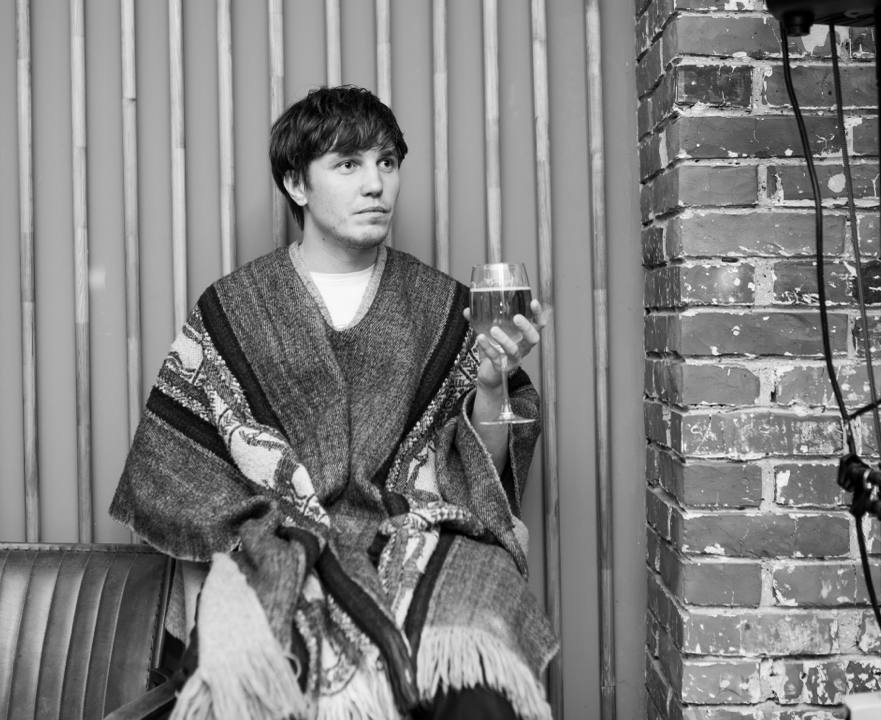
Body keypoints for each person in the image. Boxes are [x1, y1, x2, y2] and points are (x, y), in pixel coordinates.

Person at [110, 85, 556, 720]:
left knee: (474, 662)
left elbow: (481, 476)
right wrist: (251, 546)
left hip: (417, 539)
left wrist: (491, 385)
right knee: (250, 656)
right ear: (297, 184)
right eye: (348, 164)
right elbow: (176, 472)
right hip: (280, 546)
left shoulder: (441, 306)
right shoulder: (235, 308)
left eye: (387, 163)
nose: (376, 184)